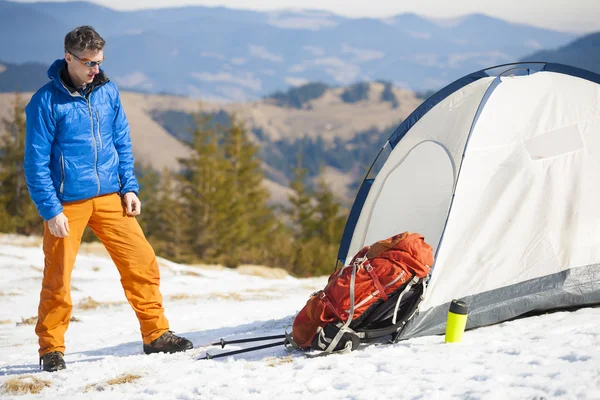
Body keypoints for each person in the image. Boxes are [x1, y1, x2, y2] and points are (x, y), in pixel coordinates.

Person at [24, 26, 193, 372]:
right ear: (68, 58)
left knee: (142, 263)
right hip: (66, 204)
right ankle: (51, 349)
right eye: (88, 63)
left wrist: (129, 187)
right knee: (58, 278)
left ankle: (155, 334)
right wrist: (50, 209)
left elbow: (122, 142)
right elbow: (35, 162)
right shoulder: (45, 101)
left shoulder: (108, 91)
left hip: (110, 196)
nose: (95, 69)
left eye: (99, 62)